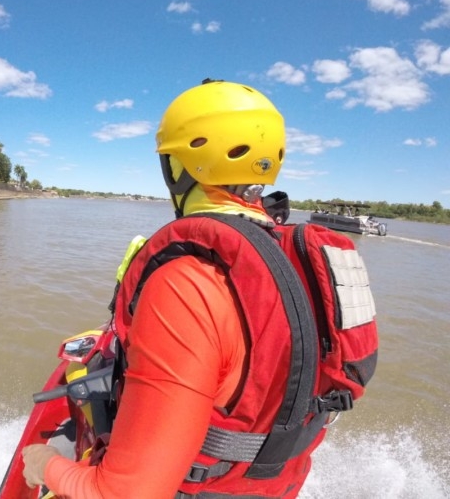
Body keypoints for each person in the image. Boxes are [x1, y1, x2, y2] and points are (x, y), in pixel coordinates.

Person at [21, 80, 364, 498]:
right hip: (268, 487)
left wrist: (44, 464)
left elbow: (127, 495)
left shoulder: (186, 284)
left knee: (48, 457)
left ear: (176, 169)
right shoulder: (305, 265)